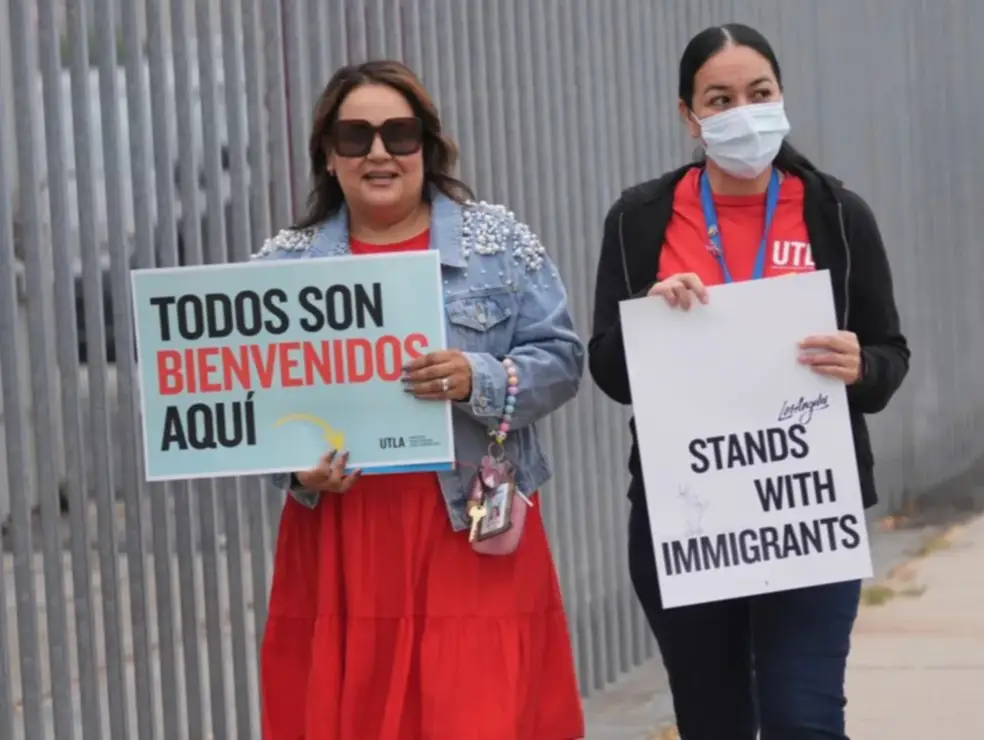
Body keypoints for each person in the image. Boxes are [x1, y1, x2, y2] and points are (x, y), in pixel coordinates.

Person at [588, 24, 911, 740]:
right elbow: (606, 366)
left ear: (780, 97)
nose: (743, 111)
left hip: (805, 509)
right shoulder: (641, 220)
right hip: (690, 516)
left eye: (758, 93)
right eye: (719, 98)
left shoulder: (834, 212)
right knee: (715, 723)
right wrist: (651, 322)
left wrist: (860, 365)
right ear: (689, 116)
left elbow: (888, 356)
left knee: (805, 720)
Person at [254, 60, 585, 740]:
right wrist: (294, 468)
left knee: (478, 716)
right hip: (344, 544)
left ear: (427, 147)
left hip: (472, 533)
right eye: (355, 137)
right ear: (327, 154)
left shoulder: (498, 245)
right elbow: (248, 407)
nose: (378, 153)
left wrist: (479, 378)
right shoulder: (280, 270)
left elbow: (561, 359)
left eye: (398, 134)